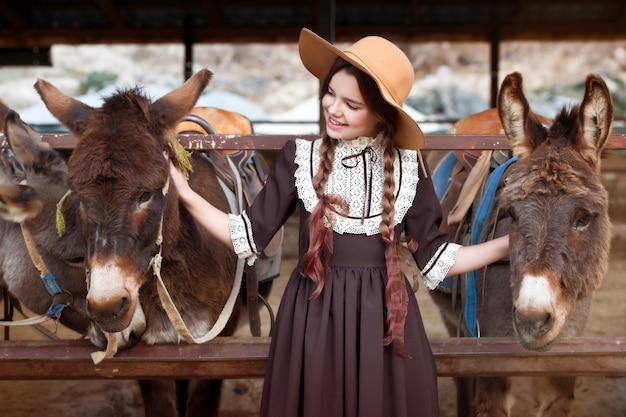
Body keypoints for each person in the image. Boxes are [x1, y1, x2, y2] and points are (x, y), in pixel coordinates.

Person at [169, 28, 509, 417]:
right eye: (330, 93)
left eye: (352, 103)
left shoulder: (409, 167)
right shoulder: (300, 157)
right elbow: (246, 235)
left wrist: (504, 245)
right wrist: (186, 194)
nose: (333, 108)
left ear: (382, 113)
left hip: (385, 325)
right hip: (312, 320)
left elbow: (438, 262)